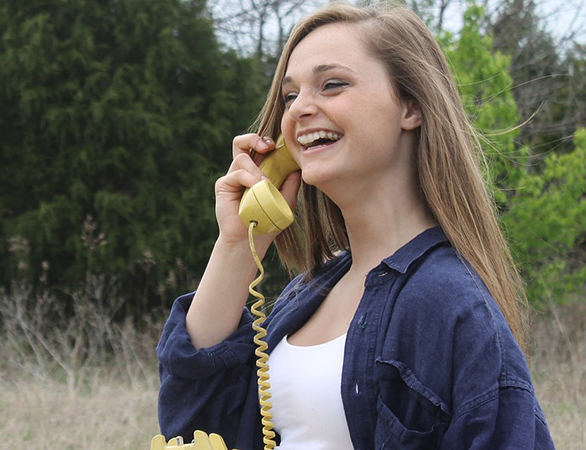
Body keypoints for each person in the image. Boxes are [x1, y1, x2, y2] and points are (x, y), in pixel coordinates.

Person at [156, 2, 554, 449]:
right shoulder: (305, 294)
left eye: (332, 84)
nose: (300, 109)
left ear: (411, 106)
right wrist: (236, 243)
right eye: (290, 95)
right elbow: (190, 428)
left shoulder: (452, 306)